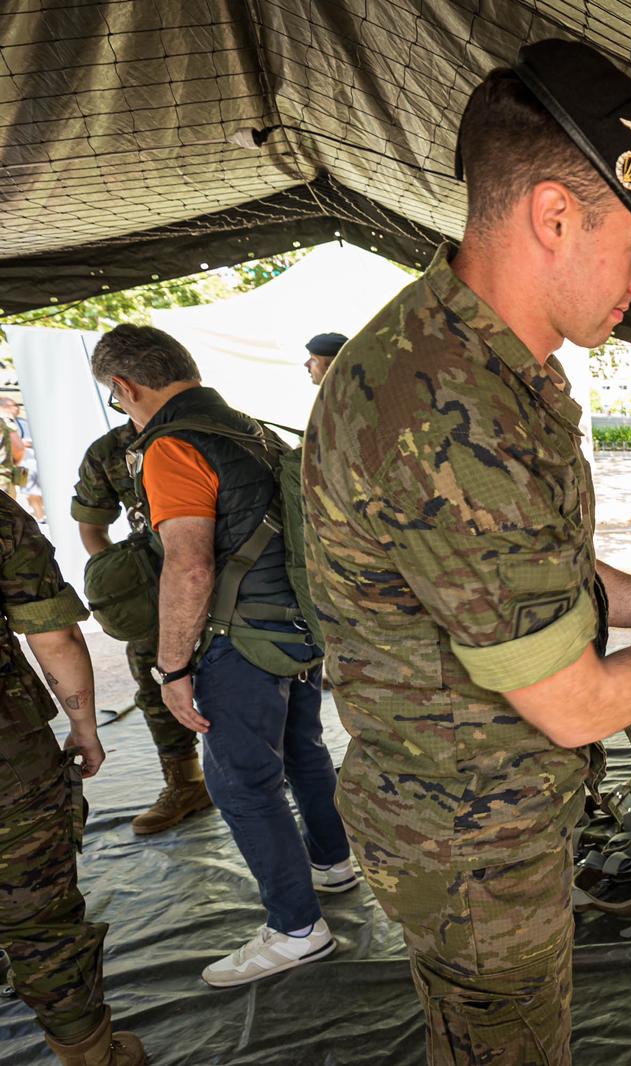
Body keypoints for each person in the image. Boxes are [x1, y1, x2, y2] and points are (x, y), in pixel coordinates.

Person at [301, 39, 631, 1066]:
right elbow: (574, 699)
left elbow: (540, 580)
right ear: (551, 216)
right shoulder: (442, 402)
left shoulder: (492, 372)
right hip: (468, 847)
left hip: (488, 820)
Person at [88, 324, 355, 989]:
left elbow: (187, 566)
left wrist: (173, 668)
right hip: (297, 629)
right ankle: (334, 863)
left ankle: (297, 929)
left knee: (240, 781)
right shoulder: (254, 430)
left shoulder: (174, 445)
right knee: (304, 752)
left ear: (123, 387)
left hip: (238, 640)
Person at [0, 492, 146, 1065]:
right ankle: (90, 1056)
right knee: (41, 923)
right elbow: (52, 635)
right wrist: (84, 727)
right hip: (10, 767)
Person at [72, 421, 213, 834]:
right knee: (153, 674)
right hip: (160, 588)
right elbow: (91, 527)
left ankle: (278, 767)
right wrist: (132, 581)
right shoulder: (109, 452)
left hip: (234, 575)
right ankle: (186, 782)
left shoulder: (210, 428)